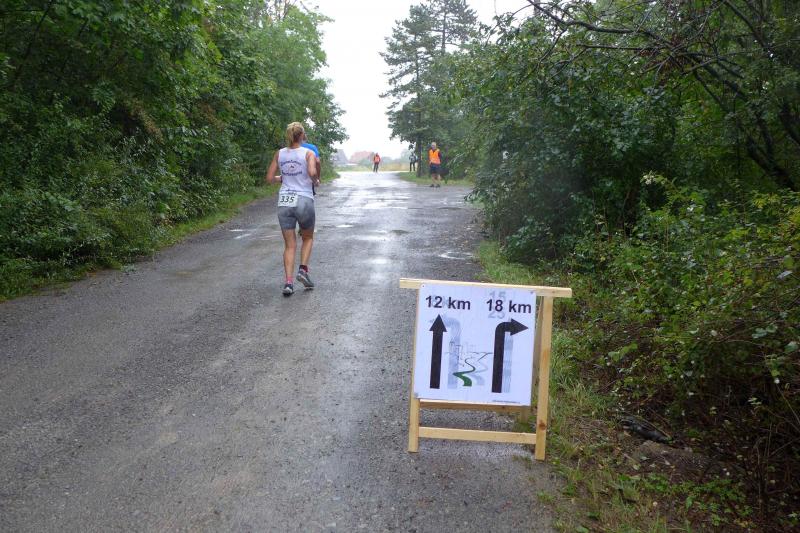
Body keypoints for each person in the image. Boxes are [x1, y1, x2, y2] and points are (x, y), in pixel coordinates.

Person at [265, 122, 319, 296]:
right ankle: (303, 270)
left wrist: (283, 178)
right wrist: (316, 180)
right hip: (303, 199)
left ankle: (288, 283)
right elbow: (312, 172)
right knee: (307, 237)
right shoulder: (308, 153)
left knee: (289, 245)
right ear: (302, 135)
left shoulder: (280, 153)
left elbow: (269, 178)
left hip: (284, 201)